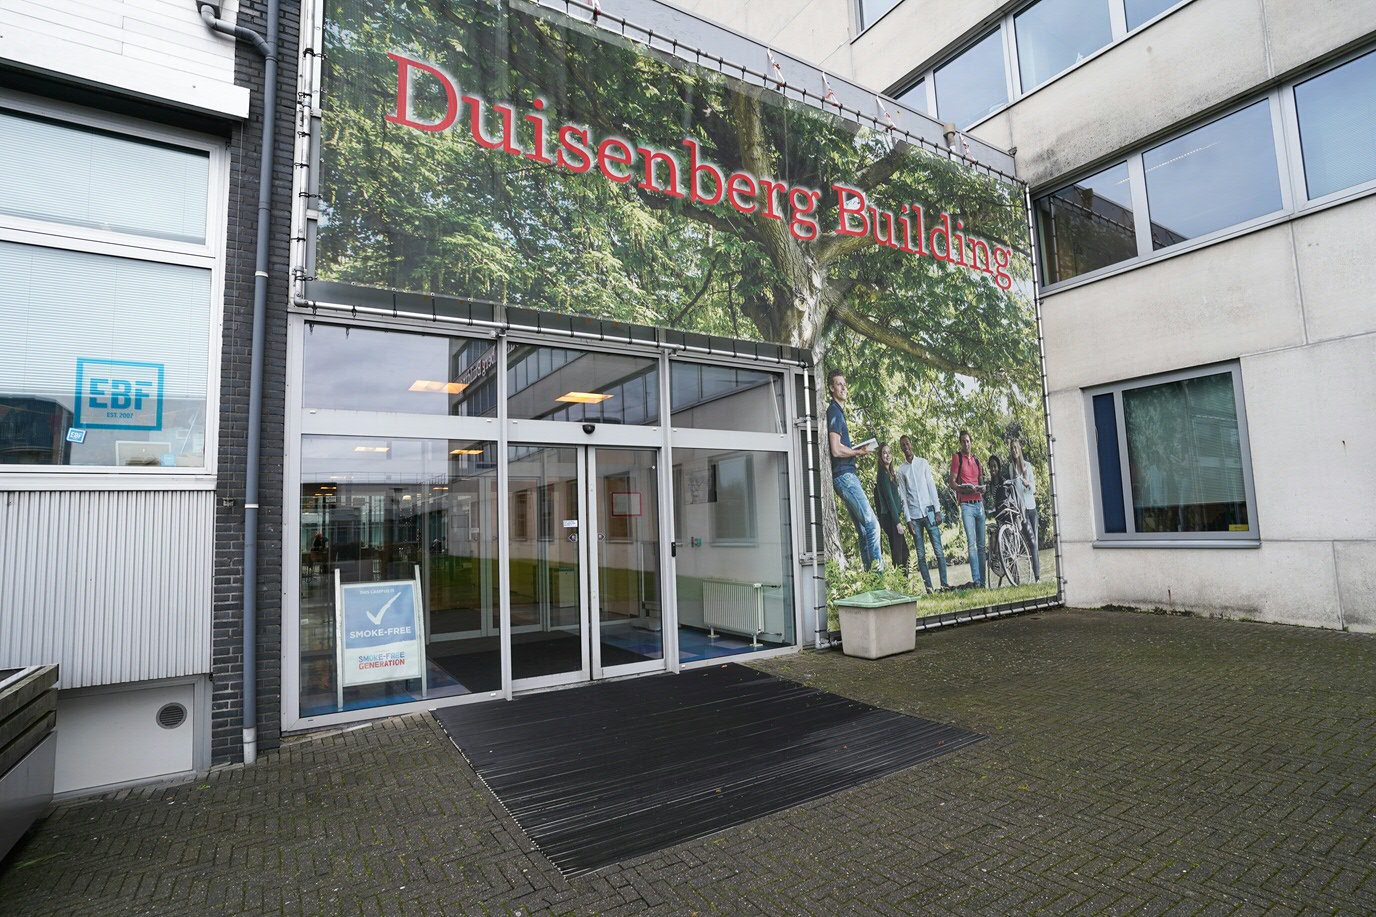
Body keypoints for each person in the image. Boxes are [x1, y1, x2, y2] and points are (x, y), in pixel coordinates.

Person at [826, 369, 883, 572]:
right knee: (872, 524)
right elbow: (835, 448)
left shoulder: (838, 412)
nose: (843, 387)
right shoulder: (833, 411)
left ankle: (870, 578)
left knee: (863, 529)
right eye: (838, 384)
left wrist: (856, 450)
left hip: (846, 476)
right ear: (831, 388)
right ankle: (879, 577)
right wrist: (858, 452)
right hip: (845, 476)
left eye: (844, 383)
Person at [895, 435, 949, 592]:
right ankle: (929, 589)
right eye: (902, 445)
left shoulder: (923, 463)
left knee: (938, 550)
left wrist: (937, 510)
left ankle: (944, 585)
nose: (905, 447)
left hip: (929, 512)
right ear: (901, 448)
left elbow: (932, 487)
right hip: (914, 517)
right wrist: (908, 520)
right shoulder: (901, 471)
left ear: (911, 445)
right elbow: (903, 497)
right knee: (921, 555)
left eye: (907, 444)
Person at [948, 430, 987, 588]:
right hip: (966, 505)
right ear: (960, 443)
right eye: (963, 441)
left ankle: (983, 582)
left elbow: (981, 482)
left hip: (979, 504)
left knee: (982, 546)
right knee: (972, 544)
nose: (966, 444)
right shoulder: (957, 458)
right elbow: (951, 483)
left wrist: (982, 488)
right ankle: (977, 581)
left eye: (968, 441)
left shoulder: (977, 460)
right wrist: (962, 488)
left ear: (971, 442)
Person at [873, 443, 909, 573]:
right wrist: (897, 523)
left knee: (901, 552)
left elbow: (893, 497)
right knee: (901, 554)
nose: (888, 455)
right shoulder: (882, 474)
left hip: (892, 516)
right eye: (884, 453)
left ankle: (902, 585)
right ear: (880, 456)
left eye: (889, 452)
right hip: (890, 518)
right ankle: (902, 586)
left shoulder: (889, 473)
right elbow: (888, 499)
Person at [1010, 439, 1041, 582]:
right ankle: (1037, 577)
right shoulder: (1011, 468)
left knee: (1035, 544)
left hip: (1032, 508)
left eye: (1016, 448)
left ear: (1019, 449)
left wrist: (1027, 482)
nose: (1014, 451)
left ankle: (1037, 578)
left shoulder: (1027, 466)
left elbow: (1033, 489)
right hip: (1022, 512)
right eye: (1012, 449)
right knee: (1032, 542)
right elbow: (1013, 492)